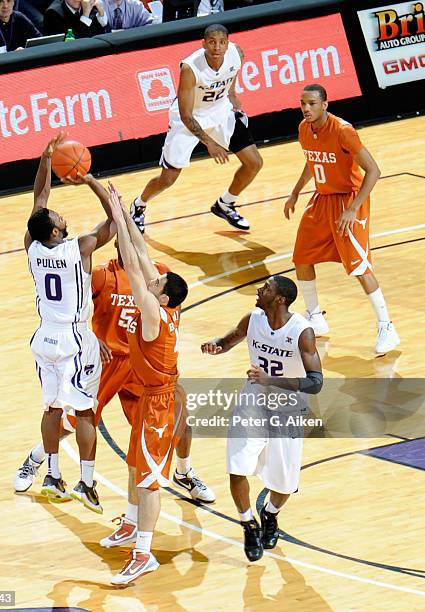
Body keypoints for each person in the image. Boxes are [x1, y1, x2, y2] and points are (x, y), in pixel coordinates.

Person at [14, 240, 215, 518]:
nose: (128, 246)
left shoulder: (159, 275)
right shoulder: (101, 274)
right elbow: (76, 310)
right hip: (110, 360)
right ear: (117, 245)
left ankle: (184, 471)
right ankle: (36, 459)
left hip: (143, 362)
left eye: (133, 241)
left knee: (174, 422)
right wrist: (94, 339)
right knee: (77, 420)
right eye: (123, 242)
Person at [201, 275, 322, 561]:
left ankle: (270, 514)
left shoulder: (301, 331)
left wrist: (274, 380)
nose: (259, 289)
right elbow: (229, 340)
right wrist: (216, 345)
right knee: (237, 466)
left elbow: (315, 382)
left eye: (266, 288)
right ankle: (248, 524)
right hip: (252, 403)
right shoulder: (253, 319)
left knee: (284, 484)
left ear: (280, 299)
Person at [25, 133, 114, 514]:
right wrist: (91, 180)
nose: (61, 215)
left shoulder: (31, 243)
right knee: (84, 412)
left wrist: (46, 159)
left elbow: (38, 203)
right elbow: (114, 221)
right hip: (74, 339)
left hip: (43, 336)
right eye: (59, 219)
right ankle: (87, 483)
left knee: (50, 409)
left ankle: (53, 475)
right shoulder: (79, 248)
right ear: (57, 232)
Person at [106, 183, 188, 585]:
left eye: (158, 283)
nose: (153, 280)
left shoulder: (154, 315)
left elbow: (135, 267)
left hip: (159, 403)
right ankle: (130, 524)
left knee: (150, 478)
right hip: (149, 397)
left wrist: (119, 217)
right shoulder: (165, 302)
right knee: (134, 464)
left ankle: (144, 552)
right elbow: (140, 254)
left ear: (164, 298)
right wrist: (122, 210)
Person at [284, 83, 400, 354]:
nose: (306, 108)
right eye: (303, 103)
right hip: (322, 200)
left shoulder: (343, 131)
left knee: (359, 268)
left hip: (349, 200)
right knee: (302, 257)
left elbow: (374, 171)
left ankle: (387, 326)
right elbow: (313, 162)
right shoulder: (304, 129)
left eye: (312, 103)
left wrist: (353, 209)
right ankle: (315, 317)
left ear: (325, 105)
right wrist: (294, 192)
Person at [130, 23, 263, 234]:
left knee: (254, 163)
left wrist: (231, 92)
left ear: (228, 43)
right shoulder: (190, 68)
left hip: (220, 113)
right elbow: (186, 115)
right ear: (203, 44)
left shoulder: (236, 53)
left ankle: (225, 204)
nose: (217, 47)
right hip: (189, 119)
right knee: (168, 178)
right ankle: (138, 206)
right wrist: (209, 142)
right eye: (212, 42)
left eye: (221, 42)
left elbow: (234, 70)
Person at [43, 0, 108, 38]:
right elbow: (75, 43)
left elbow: (105, 36)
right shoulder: (53, 13)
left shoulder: (90, 5)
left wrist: (101, 14)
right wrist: (85, 15)